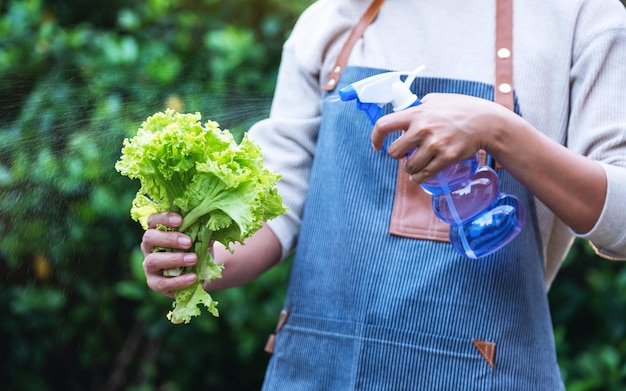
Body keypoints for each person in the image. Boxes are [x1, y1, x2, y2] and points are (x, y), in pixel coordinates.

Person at [140, 0, 626, 389]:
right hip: (315, 373)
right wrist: (197, 256)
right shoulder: (331, 21)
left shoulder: (581, 16)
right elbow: (273, 209)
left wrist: (499, 131)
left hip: (484, 372)